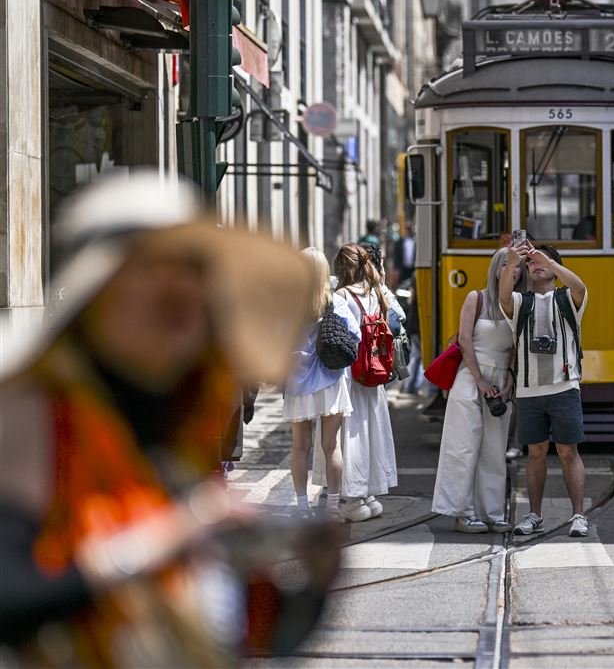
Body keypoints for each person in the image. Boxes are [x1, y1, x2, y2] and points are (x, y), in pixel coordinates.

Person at [0, 172, 337, 665]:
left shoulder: (179, 433)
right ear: (96, 294)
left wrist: (316, 583)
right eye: (154, 268)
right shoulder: (33, 415)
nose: (181, 289)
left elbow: (244, 638)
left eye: (196, 271)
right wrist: (173, 534)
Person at [433, 248, 527, 533]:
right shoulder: (476, 298)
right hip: (470, 378)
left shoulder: (519, 304)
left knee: (494, 450)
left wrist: (509, 378)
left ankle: (493, 512)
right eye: (507, 265)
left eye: (518, 267)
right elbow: (464, 341)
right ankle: (463, 512)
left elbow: (514, 348)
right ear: (495, 269)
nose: (514, 271)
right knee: (464, 446)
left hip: (500, 380)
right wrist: (479, 380)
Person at [500, 242, 590, 538]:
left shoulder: (566, 299)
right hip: (529, 390)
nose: (535, 265)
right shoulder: (521, 302)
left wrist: (549, 263)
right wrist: (513, 262)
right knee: (535, 452)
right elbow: (503, 296)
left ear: (555, 267)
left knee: (568, 451)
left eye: (543, 262)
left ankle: (578, 515)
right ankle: (534, 515)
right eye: (532, 263)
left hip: (565, 386)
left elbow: (580, 286)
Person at [282, 248, 357, 519]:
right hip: (330, 381)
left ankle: (303, 507)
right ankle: (333, 508)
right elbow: (353, 337)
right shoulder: (336, 302)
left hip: (297, 382)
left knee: (300, 446)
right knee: (331, 445)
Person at [330, 244, 399, 521]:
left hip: (351, 373)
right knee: (372, 429)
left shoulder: (342, 296)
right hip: (374, 372)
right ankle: (370, 494)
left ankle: (354, 497)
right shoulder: (377, 293)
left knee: (352, 433)